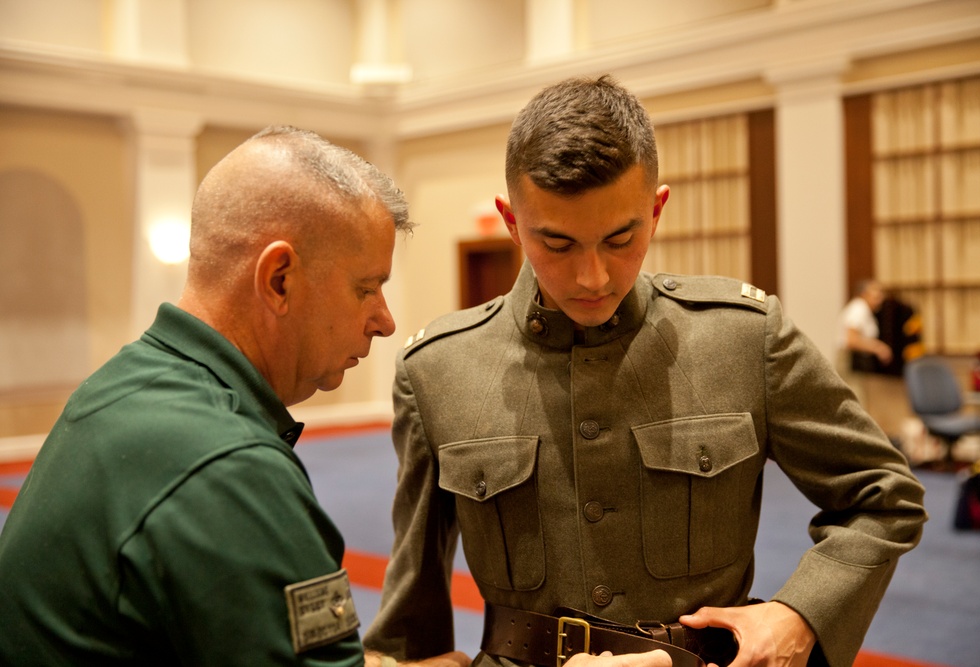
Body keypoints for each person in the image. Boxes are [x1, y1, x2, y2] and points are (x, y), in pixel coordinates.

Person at [0, 126, 674, 667]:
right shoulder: (226, 469)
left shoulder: (121, 388)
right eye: (365, 288)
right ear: (281, 278)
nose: (383, 320)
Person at [363, 77, 927, 667]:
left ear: (655, 211)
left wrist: (799, 616)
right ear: (510, 221)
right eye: (556, 243)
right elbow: (412, 613)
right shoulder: (437, 370)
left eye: (620, 238)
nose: (593, 277)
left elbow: (884, 496)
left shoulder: (741, 338)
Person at [835, 279, 893, 409]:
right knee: (855, 400)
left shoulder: (863, 309)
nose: (880, 299)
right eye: (876, 295)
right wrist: (878, 348)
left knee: (858, 399)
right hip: (849, 360)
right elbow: (851, 340)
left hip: (856, 361)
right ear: (864, 294)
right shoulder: (859, 309)